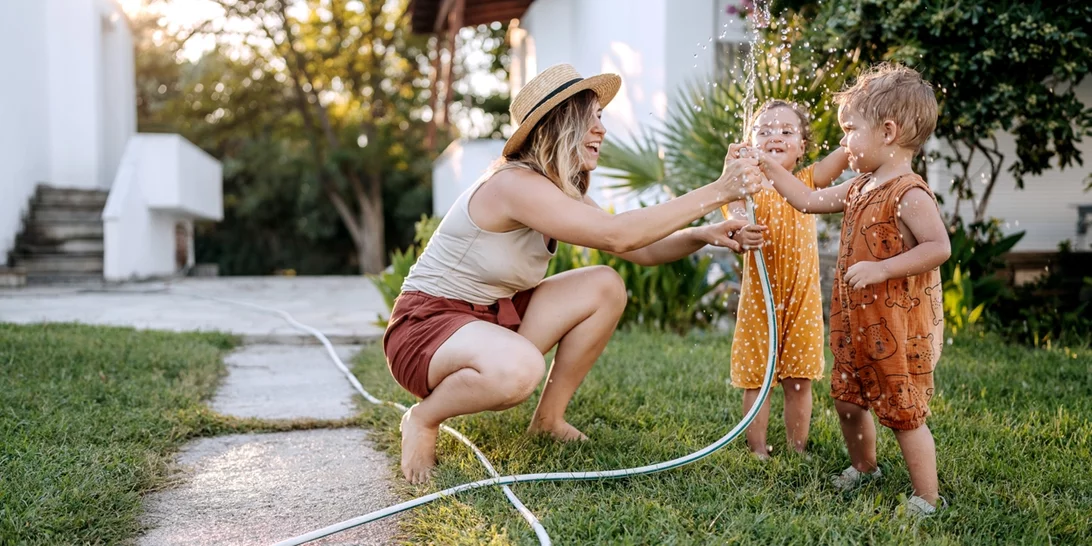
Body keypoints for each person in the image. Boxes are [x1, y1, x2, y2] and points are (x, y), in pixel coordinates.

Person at [383, 63, 767, 483]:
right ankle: (422, 419)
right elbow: (619, 235)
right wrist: (719, 190)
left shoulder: (557, 189)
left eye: (602, 118)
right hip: (427, 328)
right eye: (592, 117)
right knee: (519, 370)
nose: (602, 130)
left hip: (488, 319)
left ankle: (548, 420)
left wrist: (704, 234)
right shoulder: (514, 185)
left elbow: (641, 249)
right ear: (561, 123)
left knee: (604, 285)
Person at [757, 63, 950, 516]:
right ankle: (865, 467)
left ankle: (927, 497)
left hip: (895, 327)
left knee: (904, 413)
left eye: (849, 131)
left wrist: (883, 270)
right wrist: (767, 165)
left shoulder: (909, 193)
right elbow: (807, 200)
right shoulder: (860, 185)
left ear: (887, 131)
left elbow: (938, 247)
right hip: (855, 321)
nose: (844, 143)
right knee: (847, 397)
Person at [724, 100, 849, 459]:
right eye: (763, 131)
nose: (774, 137)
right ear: (750, 143)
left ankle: (797, 449)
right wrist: (740, 228)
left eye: (785, 131)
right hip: (758, 300)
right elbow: (732, 217)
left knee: (799, 378)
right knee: (757, 378)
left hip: (802, 299)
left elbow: (844, 153)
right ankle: (758, 449)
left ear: (802, 146)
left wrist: (858, 125)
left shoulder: (808, 180)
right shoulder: (746, 187)